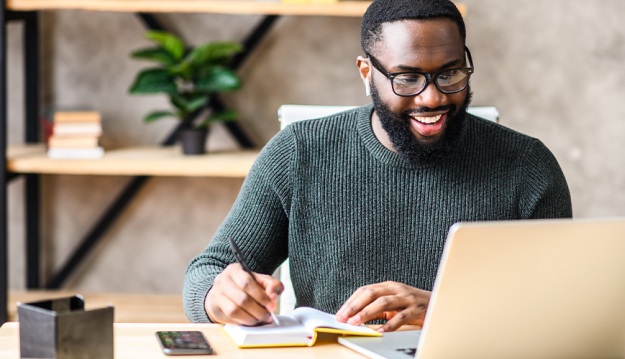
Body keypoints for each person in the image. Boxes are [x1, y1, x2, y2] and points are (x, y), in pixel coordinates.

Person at [183, 0, 572, 332]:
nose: (432, 97)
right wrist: (220, 296)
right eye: (407, 78)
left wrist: (443, 310)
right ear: (366, 73)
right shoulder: (298, 153)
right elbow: (206, 272)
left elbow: (565, 308)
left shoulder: (527, 166)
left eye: (450, 73)